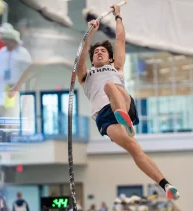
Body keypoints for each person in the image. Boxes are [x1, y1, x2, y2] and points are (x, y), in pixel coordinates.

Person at [75, 4, 179, 200]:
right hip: (105, 118)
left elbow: (120, 40)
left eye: (102, 51)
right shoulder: (85, 76)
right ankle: (166, 185)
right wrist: (89, 34)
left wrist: (118, 16)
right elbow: (80, 59)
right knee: (135, 149)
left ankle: (124, 119)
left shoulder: (117, 67)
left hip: (122, 102)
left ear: (110, 57)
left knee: (110, 87)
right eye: (95, 52)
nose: (98, 53)